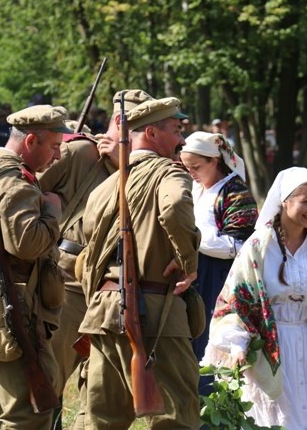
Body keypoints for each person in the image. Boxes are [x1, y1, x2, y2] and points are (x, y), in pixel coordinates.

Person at [76, 97, 201, 429]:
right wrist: (188, 261)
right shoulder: (169, 173)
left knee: (102, 419)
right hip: (156, 311)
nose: (182, 140)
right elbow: (174, 206)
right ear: (152, 133)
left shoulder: (105, 187)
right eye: (176, 130)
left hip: (103, 312)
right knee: (175, 417)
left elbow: (88, 247)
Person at [202, 167, 307, 429]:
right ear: (285, 201)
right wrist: (238, 345)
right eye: (306, 201)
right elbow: (235, 303)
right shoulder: (258, 248)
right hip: (266, 353)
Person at [38, 89, 154, 430]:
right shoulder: (79, 153)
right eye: (140, 127)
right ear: (120, 122)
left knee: (99, 390)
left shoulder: (142, 168)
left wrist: (124, 168)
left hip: (111, 288)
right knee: (49, 381)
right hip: (69, 284)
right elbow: (30, 188)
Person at [0, 105, 73, 429]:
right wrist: (52, 212)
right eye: (54, 146)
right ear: (31, 140)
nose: (58, 155)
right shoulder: (14, 181)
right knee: (28, 414)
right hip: (13, 307)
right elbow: (29, 243)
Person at [179, 131, 259, 389]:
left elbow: (240, 245)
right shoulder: (196, 186)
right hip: (194, 272)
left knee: (212, 336)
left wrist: (192, 238)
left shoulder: (235, 192)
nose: (191, 172)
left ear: (214, 161)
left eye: (196, 166)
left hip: (219, 277)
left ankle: (211, 400)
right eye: (186, 167)